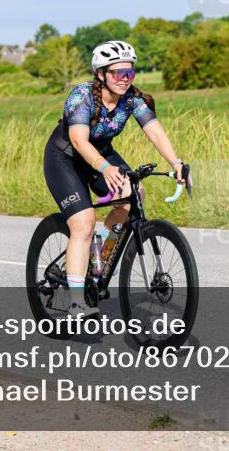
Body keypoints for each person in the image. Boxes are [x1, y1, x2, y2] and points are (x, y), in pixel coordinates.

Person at [43, 40, 186, 318]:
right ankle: (75, 302)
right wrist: (104, 167)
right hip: (66, 159)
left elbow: (154, 131)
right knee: (83, 223)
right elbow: (78, 140)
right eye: (118, 73)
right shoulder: (82, 97)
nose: (124, 79)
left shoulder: (132, 98)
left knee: (135, 196)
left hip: (102, 154)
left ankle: (101, 252)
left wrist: (176, 163)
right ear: (101, 74)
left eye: (129, 73)